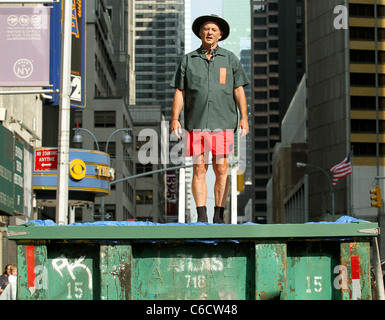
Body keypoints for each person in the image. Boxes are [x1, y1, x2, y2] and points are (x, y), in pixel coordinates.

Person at [170, 14, 249, 223]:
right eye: (206, 29)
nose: (209, 32)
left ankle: (219, 214)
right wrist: (174, 119)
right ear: (200, 33)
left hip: (223, 122)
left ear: (220, 35)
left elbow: (239, 90)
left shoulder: (230, 59)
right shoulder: (188, 59)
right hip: (196, 123)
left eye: (214, 30)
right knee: (199, 167)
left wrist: (244, 118)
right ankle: (202, 215)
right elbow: (180, 91)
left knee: (222, 167)